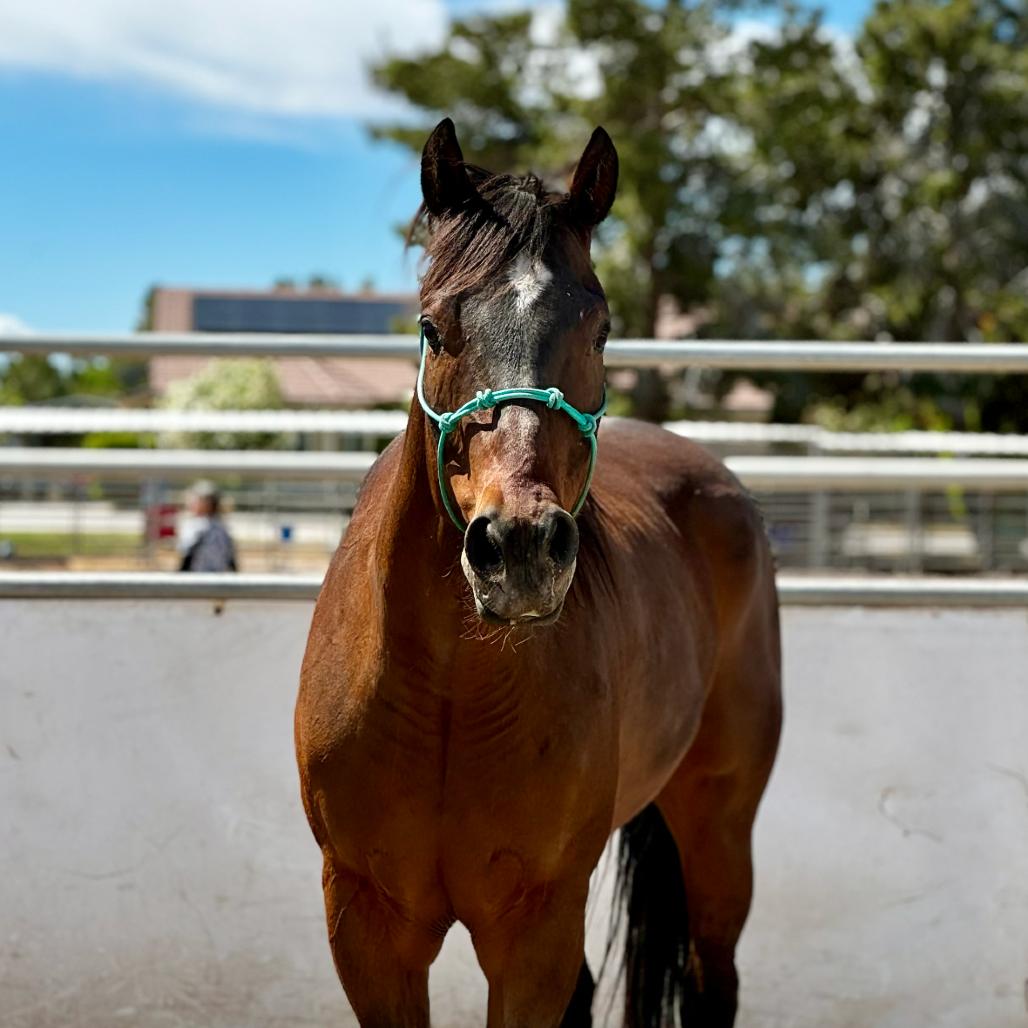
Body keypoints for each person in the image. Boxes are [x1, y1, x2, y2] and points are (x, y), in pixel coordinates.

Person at [178, 480, 238, 572]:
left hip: (198, 577)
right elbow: (231, 558)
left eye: (195, 500)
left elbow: (187, 556)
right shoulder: (221, 526)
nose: (191, 503)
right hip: (217, 577)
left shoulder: (196, 526)